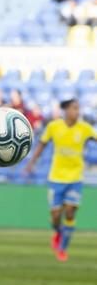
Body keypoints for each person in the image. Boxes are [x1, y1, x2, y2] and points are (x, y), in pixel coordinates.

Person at [24, 99, 97, 262]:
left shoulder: (84, 128)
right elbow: (42, 145)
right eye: (74, 109)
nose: (77, 112)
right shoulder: (53, 127)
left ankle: (62, 248)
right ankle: (58, 232)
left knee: (70, 212)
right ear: (65, 111)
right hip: (56, 177)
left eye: (78, 109)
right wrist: (31, 163)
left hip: (75, 177)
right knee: (56, 216)